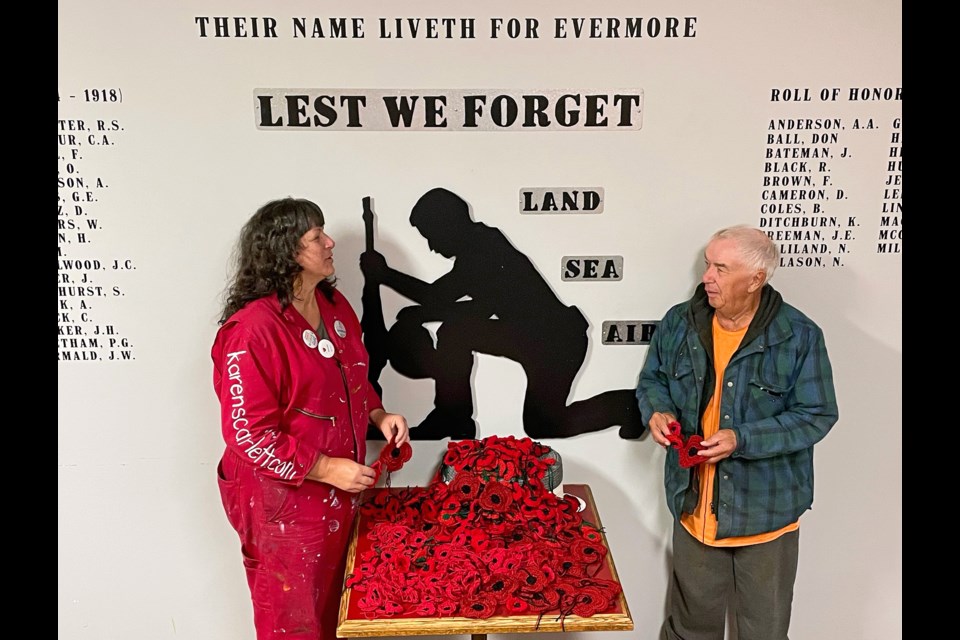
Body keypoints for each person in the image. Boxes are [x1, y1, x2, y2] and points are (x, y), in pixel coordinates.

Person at [212, 197, 409, 640]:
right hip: (281, 502)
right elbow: (248, 434)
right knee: (295, 621)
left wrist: (378, 413)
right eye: (316, 236)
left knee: (338, 614)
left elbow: (354, 375)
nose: (330, 241)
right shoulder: (251, 331)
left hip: (338, 495)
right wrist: (324, 468)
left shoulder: (335, 306)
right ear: (285, 250)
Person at [636, 225, 838, 640]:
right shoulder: (680, 321)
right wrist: (658, 409)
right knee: (691, 628)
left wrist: (740, 439)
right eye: (708, 264)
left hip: (766, 515)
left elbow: (817, 414)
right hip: (693, 509)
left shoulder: (799, 336)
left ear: (756, 279)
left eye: (720, 268)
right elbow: (653, 379)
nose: (706, 276)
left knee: (763, 631)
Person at [360, 187, 643, 440]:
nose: (432, 247)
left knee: (545, 424)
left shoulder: (482, 250)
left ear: (448, 225)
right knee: (457, 331)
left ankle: (628, 406)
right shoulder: (482, 244)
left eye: (432, 237)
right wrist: (421, 314)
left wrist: (384, 274)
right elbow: (484, 307)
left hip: (553, 343)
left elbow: (438, 296)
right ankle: (451, 415)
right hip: (534, 337)